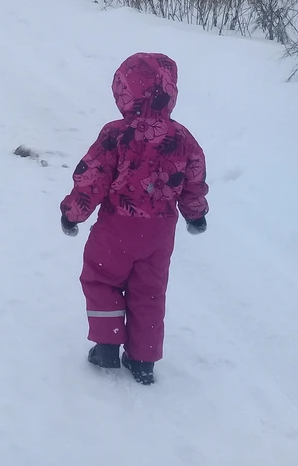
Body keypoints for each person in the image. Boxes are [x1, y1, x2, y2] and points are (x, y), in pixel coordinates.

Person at [60, 53, 209, 385]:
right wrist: (195, 214)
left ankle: (108, 346)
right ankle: (143, 360)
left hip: (118, 226)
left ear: (124, 91)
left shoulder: (116, 134)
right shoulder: (182, 137)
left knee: (101, 278)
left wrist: (73, 213)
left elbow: (93, 177)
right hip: (160, 231)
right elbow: (193, 178)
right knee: (150, 291)